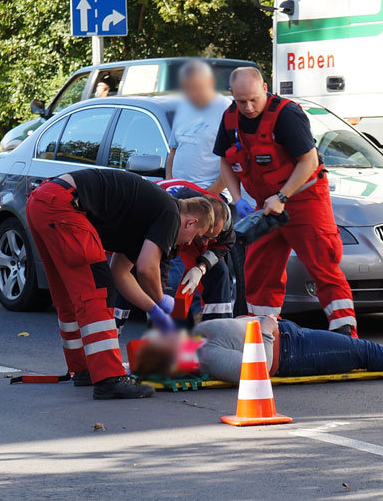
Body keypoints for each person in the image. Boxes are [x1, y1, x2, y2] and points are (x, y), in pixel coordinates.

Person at [26, 168, 214, 399]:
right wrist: (159, 300)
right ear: (191, 222)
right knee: (99, 291)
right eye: (196, 237)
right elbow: (147, 268)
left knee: (69, 293)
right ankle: (109, 378)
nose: (189, 244)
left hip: (45, 200)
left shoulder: (148, 218)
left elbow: (121, 273)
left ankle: (84, 368)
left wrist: (151, 309)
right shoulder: (171, 214)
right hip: (63, 206)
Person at [214, 67, 358, 337]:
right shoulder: (230, 117)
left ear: (265, 88)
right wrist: (237, 199)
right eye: (241, 100)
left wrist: (282, 197)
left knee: (323, 264)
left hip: (305, 199)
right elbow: (224, 159)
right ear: (232, 94)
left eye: (253, 99)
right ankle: (263, 337)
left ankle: (346, 334)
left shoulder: (287, 115)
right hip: (265, 204)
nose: (247, 107)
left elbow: (309, 161)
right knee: (259, 269)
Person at [132, 317, 383, 384]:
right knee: (361, 352)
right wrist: (265, 331)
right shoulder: (205, 355)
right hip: (292, 353)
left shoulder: (199, 339)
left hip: (290, 335)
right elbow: (253, 369)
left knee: (360, 348)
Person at [115, 179, 235, 328]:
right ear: (194, 223)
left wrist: (201, 267)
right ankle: (115, 326)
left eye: (211, 238)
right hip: (153, 227)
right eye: (203, 237)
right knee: (131, 272)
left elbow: (225, 245)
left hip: (187, 226)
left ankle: (217, 334)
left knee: (219, 272)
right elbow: (157, 265)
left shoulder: (222, 217)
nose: (205, 244)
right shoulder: (172, 216)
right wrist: (157, 301)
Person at [165, 60, 232, 195]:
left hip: (211, 194)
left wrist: (208, 195)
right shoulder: (184, 107)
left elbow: (233, 161)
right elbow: (173, 151)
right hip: (178, 193)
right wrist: (169, 184)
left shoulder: (226, 109)